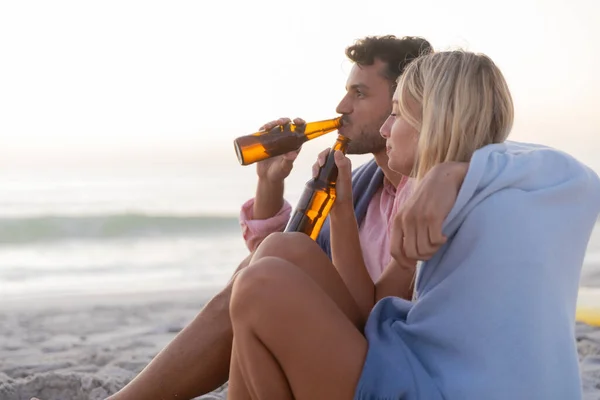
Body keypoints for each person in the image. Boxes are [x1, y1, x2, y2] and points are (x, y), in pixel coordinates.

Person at [104, 35, 468, 400]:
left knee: (263, 275)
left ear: (405, 103)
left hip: (382, 361)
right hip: (347, 343)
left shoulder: (432, 192)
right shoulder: (363, 187)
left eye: (359, 94)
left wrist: (342, 212)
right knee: (263, 266)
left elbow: (371, 311)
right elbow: (282, 259)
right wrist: (269, 182)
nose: (342, 106)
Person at [225, 50, 600, 399]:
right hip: (419, 364)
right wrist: (341, 211)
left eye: (398, 113)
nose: (386, 129)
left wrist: (453, 173)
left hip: (446, 386)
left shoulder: (502, 193)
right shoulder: (423, 201)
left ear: (436, 119)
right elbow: (371, 308)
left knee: (260, 285)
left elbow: (580, 177)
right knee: (279, 252)